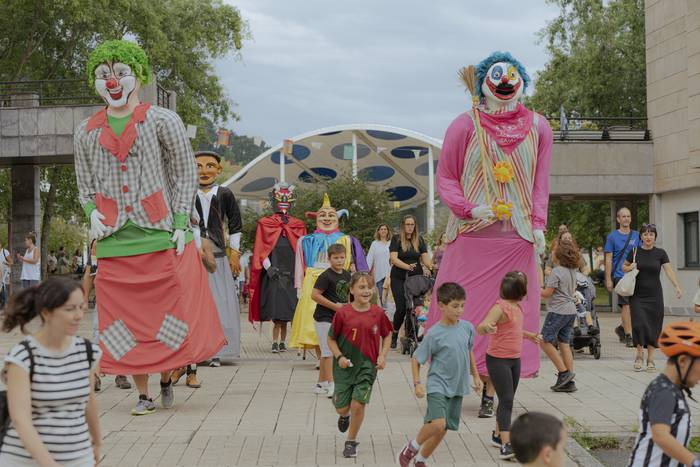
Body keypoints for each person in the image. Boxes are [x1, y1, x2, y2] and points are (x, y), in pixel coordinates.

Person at [74, 40, 225, 416]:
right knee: (124, 322)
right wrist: (91, 209)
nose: (112, 82)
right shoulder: (86, 130)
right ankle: (142, 393)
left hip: (159, 234)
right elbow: (83, 181)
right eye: (103, 75)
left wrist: (179, 221)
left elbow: (184, 170)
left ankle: (165, 377)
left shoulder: (161, 119)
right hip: (113, 241)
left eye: (120, 73)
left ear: (138, 77)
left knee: (167, 317)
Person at [427, 52, 553, 420]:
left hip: (516, 239)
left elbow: (540, 183)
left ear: (521, 80)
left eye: (511, 76)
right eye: (496, 76)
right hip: (470, 237)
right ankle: (467, 380)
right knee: (462, 314)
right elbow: (446, 177)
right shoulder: (464, 125)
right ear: (483, 82)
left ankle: (492, 388)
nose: (504, 82)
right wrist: (467, 207)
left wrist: (540, 224)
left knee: (509, 316)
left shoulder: (539, 127)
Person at [0, 277, 102, 466]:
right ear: (46, 313)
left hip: (78, 457)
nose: (79, 315)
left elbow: (89, 401)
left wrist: (97, 442)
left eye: (81, 307)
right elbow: (20, 419)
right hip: (24, 461)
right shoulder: (22, 357)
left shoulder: (87, 352)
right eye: (70, 309)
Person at [397, 282, 482, 467]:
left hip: (458, 386)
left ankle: (420, 460)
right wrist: (417, 383)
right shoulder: (434, 333)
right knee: (437, 424)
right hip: (438, 385)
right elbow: (416, 359)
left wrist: (475, 376)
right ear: (441, 305)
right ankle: (410, 448)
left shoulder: (467, 328)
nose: (459, 310)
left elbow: (469, 351)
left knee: (443, 428)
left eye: (462, 305)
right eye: (455, 306)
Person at [289, 193, 367, 352]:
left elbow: (359, 265)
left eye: (331, 215)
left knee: (338, 320)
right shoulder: (306, 240)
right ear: (316, 218)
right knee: (313, 322)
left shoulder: (347, 239)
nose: (326, 218)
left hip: (338, 281)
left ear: (337, 218)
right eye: (322, 215)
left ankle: (334, 353)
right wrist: (299, 286)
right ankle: (321, 356)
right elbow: (299, 264)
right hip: (313, 282)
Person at [477, 272, 542, 460]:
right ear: (521, 290)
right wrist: (487, 328)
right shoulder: (500, 307)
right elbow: (481, 326)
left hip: (514, 359)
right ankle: (506, 445)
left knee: (508, 398)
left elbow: (513, 330)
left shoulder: (516, 307)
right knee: (506, 401)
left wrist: (529, 335)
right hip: (498, 360)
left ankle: (498, 435)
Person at [328, 272, 392, 458]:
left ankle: (351, 441)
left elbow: (387, 334)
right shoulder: (343, 313)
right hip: (344, 367)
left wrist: (383, 355)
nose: (366, 291)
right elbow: (331, 339)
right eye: (362, 287)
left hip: (367, 367)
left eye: (369, 288)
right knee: (342, 408)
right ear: (352, 290)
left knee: (358, 404)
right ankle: (344, 415)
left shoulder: (378, 313)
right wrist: (339, 356)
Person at [192, 150, 243, 367]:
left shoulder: (225, 194)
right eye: (198, 166)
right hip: (193, 257)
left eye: (209, 165)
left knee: (220, 302)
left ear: (218, 169)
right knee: (196, 304)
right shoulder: (185, 194)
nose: (204, 171)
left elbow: (236, 224)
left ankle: (219, 349)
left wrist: (234, 253)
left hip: (219, 257)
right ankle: (197, 349)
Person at [628, 321, 700, 467]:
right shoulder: (663, 391)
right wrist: (693, 462)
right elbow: (661, 435)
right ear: (683, 361)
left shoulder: (672, 390)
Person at [248, 183, 306, 352]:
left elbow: (302, 252)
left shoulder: (298, 225)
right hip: (273, 276)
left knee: (288, 312)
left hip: (291, 277)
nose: (284, 201)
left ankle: (283, 342)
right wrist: (268, 267)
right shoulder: (265, 223)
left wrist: (299, 273)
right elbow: (261, 248)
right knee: (276, 312)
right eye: (280, 198)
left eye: (287, 198)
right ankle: (275, 342)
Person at [622, 223, 683, 372]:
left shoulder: (660, 253)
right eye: (645, 234)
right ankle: (639, 354)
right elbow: (624, 267)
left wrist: (677, 286)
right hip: (637, 295)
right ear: (641, 237)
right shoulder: (635, 251)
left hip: (655, 295)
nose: (648, 237)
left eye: (651, 234)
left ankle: (650, 358)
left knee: (653, 326)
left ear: (655, 237)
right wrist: (630, 267)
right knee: (639, 324)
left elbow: (669, 271)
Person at [82, 240, 131, 392]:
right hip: (103, 298)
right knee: (98, 335)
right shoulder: (98, 243)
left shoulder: (126, 240)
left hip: (123, 297)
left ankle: (121, 374)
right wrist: (84, 299)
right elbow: (90, 273)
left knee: (122, 335)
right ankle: (95, 375)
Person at [311, 243, 351, 397]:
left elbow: (348, 295)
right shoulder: (325, 276)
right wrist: (335, 307)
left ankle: (321, 384)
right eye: (336, 258)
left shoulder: (347, 275)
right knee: (328, 352)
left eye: (342, 257)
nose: (339, 261)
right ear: (329, 259)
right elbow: (314, 295)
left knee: (330, 351)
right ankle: (333, 385)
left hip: (338, 318)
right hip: (323, 318)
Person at [540, 240, 580, 392]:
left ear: (559, 254)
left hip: (558, 311)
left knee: (543, 340)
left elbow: (546, 293)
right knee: (564, 344)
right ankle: (569, 382)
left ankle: (563, 373)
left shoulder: (556, 271)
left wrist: (533, 288)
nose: (552, 252)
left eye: (554, 250)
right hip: (570, 311)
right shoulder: (572, 271)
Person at [389, 215, 431, 348]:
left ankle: (410, 335)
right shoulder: (396, 239)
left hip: (415, 278)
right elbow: (394, 259)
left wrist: (431, 267)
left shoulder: (419, 239)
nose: (410, 227)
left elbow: (425, 258)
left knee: (413, 308)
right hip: (399, 278)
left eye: (412, 224)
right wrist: (407, 266)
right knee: (401, 308)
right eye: (407, 224)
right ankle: (395, 333)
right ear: (403, 225)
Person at [605, 207, 640, 347]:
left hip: (634, 275)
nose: (626, 219)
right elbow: (608, 258)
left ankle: (622, 328)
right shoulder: (612, 237)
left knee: (635, 306)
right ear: (618, 219)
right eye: (623, 216)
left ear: (631, 219)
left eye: (628, 216)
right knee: (626, 305)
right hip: (620, 275)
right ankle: (629, 336)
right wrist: (608, 279)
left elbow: (642, 254)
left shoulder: (637, 235)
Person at [366, 224, 392, 307]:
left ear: (388, 231)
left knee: (391, 295)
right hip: (379, 273)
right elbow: (370, 258)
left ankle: (391, 313)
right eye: (381, 229)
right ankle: (384, 313)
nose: (383, 230)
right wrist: (365, 271)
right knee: (382, 295)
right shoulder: (374, 244)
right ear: (378, 231)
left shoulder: (392, 243)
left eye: (385, 229)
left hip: (391, 273)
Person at [0, 240, 12, 308]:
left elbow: (11, 262)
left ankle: (4, 305)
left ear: (0, 244)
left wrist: (6, 263)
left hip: (4, 273)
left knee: (3, 287)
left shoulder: (5, 252)